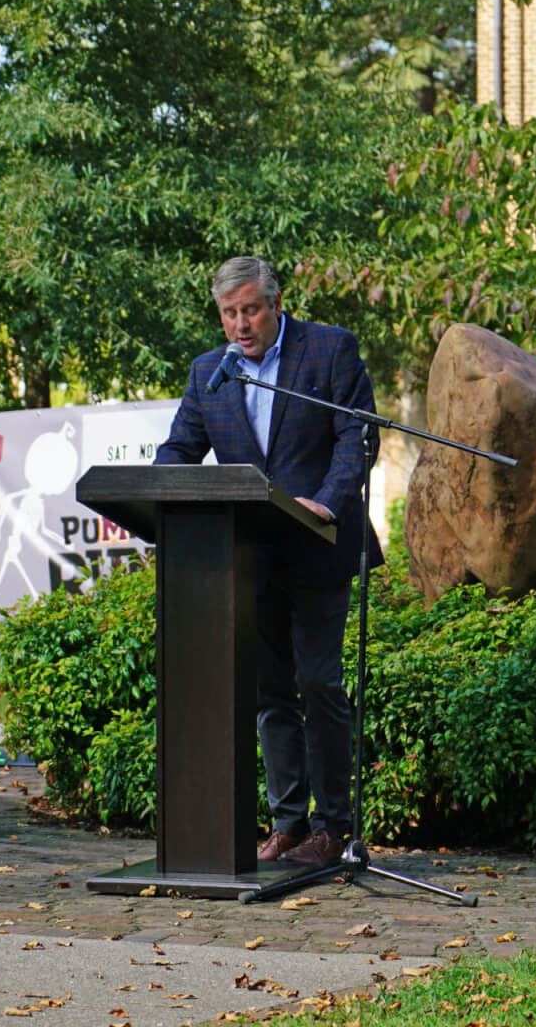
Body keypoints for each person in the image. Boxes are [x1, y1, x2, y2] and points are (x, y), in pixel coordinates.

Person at [152, 256, 380, 870]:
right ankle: (288, 824)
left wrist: (327, 504)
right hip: (250, 555)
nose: (240, 324)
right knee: (270, 692)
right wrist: (156, 486)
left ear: (277, 303)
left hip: (319, 545)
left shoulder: (330, 351)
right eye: (229, 313)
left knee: (317, 682)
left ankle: (334, 827)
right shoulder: (210, 374)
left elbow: (356, 438)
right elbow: (180, 447)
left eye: (250, 309)